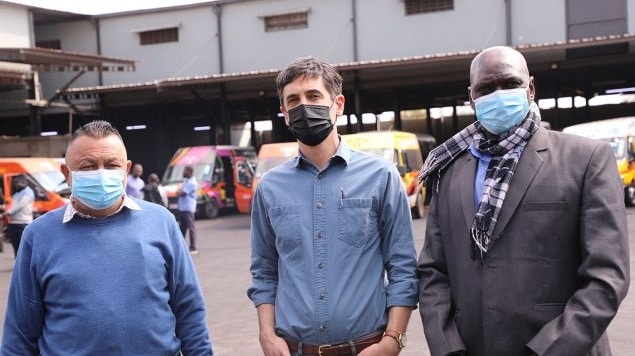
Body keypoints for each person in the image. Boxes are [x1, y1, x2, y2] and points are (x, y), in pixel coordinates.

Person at [417, 46, 630, 356]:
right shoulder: (448, 171)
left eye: (509, 83)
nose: (499, 94)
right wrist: (448, 348)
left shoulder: (585, 160)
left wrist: (546, 350)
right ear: (471, 96)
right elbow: (433, 272)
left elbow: (607, 277)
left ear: (530, 88)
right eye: (486, 88)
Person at [247, 56, 418, 356]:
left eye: (313, 96)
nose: (303, 106)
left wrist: (393, 340)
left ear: (338, 104)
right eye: (293, 100)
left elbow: (403, 266)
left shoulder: (380, 176)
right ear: (285, 114)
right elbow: (264, 270)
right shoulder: (270, 188)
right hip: (294, 350)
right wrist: (266, 335)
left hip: (367, 348)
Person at [1, 120, 213, 355]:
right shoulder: (38, 235)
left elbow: (189, 310)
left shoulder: (161, 222)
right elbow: (19, 333)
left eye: (112, 165)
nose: (101, 174)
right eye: (88, 166)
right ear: (66, 174)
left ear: (127, 170)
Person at [1, 175, 34, 258]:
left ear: (24, 182)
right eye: (15, 183)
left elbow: (21, 205)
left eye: (18, 182)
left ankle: (24, 266)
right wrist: (4, 208)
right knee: (16, 246)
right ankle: (17, 264)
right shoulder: (17, 193)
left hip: (23, 222)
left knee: (23, 247)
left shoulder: (28, 192)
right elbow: (13, 205)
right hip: (13, 222)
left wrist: (8, 213)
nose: (16, 184)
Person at [177, 165, 198, 254]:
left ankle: (193, 247)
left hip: (188, 208)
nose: (183, 173)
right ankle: (180, 247)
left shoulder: (192, 183)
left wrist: (178, 192)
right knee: (182, 228)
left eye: (185, 171)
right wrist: (179, 191)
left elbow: (182, 193)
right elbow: (179, 191)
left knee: (191, 227)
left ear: (189, 172)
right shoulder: (186, 181)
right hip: (182, 207)